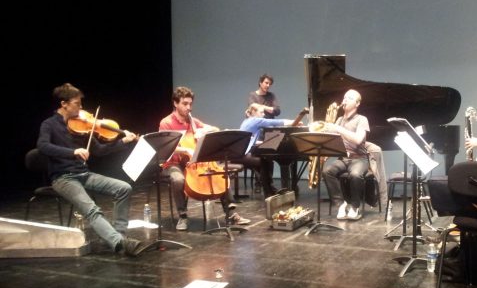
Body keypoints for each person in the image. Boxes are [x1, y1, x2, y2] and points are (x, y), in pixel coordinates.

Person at [37, 83, 143, 255]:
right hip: (63, 178)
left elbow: (100, 150)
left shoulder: (82, 127)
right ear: (64, 104)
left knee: (124, 188)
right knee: (91, 209)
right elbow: (42, 146)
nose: (81, 108)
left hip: (83, 174)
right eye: (77, 104)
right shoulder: (49, 125)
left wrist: (123, 141)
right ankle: (120, 244)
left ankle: (119, 237)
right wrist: (73, 152)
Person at [159, 86, 250, 230]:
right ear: (175, 103)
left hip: (193, 163)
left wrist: (203, 130)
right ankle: (182, 216)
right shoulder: (166, 122)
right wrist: (186, 149)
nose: (189, 107)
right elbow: (167, 147)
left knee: (219, 173)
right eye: (185, 104)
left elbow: (215, 129)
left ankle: (232, 214)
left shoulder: (192, 121)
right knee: (178, 180)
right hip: (173, 162)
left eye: (190, 104)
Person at [320, 89, 369, 221]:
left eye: (350, 98)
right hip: (343, 158)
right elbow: (332, 140)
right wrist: (325, 152)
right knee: (327, 172)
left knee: (355, 175)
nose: (345, 100)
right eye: (344, 97)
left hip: (360, 159)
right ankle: (341, 204)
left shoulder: (361, 119)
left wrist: (338, 128)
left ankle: (354, 206)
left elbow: (358, 140)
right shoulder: (339, 120)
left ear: (357, 103)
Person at [237, 103, 293, 198]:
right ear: (254, 112)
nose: (263, 114)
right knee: (263, 161)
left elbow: (251, 138)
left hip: (241, 152)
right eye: (261, 112)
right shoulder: (255, 120)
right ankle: (269, 191)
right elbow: (274, 122)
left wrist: (259, 142)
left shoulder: (247, 121)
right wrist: (293, 121)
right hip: (240, 155)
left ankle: (270, 189)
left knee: (266, 159)